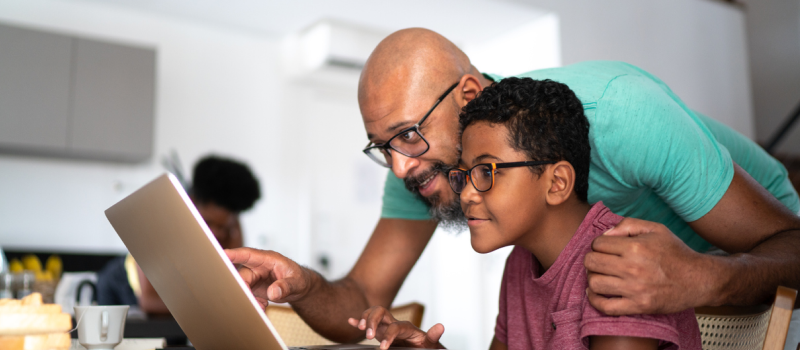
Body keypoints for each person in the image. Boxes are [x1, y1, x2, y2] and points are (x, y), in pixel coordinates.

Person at [226, 28, 800, 343]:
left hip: (749, 264)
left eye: (406, 135)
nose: (400, 169)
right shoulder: (434, 176)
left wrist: (704, 277)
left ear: (469, 97)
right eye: (383, 147)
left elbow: (791, 245)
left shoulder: (623, 116)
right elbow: (361, 296)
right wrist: (301, 286)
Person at [350, 77, 703, 350]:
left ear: (557, 183)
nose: (467, 193)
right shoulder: (521, 262)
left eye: (487, 171)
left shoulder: (621, 264)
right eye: (464, 174)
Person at [97, 155, 261, 313]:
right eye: (208, 223)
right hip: (126, 287)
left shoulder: (232, 228)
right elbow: (149, 301)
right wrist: (213, 307)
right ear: (191, 201)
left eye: (223, 227)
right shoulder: (162, 226)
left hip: (182, 297)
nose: (216, 233)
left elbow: (229, 286)